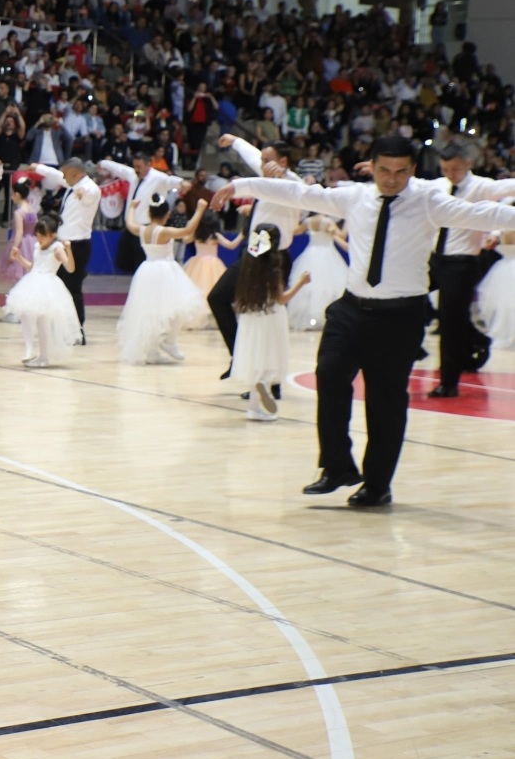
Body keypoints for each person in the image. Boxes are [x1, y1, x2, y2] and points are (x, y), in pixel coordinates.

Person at [211, 135, 515, 505]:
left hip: (400, 316)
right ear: (371, 167)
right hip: (352, 308)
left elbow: (490, 213)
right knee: (330, 372)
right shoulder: (355, 197)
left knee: (385, 402)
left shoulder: (428, 201)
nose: (391, 178)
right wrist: (240, 185)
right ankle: (337, 466)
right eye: (384, 170)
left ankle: (377, 485)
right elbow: (300, 194)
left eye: (401, 171)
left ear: (414, 170)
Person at [424, 140, 515, 397]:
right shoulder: (439, 186)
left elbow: (508, 187)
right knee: (407, 297)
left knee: (451, 323)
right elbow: (411, 186)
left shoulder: (481, 186)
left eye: (455, 169)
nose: (450, 174)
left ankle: (449, 383)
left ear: (467, 164)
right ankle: (474, 338)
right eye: (445, 169)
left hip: (462, 264)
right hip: (434, 259)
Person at [208, 135, 300, 377]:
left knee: (267, 316)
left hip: (274, 260)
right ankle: (241, 359)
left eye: (268, 160)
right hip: (252, 254)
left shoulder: (293, 184)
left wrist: (283, 175)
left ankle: (270, 380)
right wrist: (236, 140)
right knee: (218, 298)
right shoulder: (264, 178)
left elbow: (305, 195)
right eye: (262, 159)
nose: (262, 163)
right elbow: (252, 156)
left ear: (283, 161)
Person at [116, 193, 207, 364]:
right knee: (179, 307)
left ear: (149, 214)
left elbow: (129, 224)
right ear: (167, 215)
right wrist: (200, 210)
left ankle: (152, 352)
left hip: (146, 271)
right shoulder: (164, 231)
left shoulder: (142, 230)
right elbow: (187, 231)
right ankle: (169, 341)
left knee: (151, 312)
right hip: (165, 270)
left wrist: (132, 207)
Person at [232, 224, 310, 422]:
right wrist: (301, 282)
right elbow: (281, 299)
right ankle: (262, 390)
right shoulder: (274, 267)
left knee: (255, 357)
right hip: (272, 315)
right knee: (269, 358)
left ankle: (253, 408)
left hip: (251, 315)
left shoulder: (248, 264)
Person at [30, 159, 100, 338]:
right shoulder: (71, 183)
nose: (63, 177)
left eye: (66, 174)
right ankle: (60, 327)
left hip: (77, 246)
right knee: (58, 287)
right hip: (62, 244)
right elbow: (57, 176)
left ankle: (77, 331)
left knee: (73, 288)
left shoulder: (89, 188)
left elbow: (91, 193)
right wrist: (39, 168)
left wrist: (83, 192)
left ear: (75, 174)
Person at [3, 213, 80, 368]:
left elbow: (70, 268)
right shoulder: (38, 246)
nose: (39, 239)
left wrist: (69, 250)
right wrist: (19, 258)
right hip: (33, 282)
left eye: (42, 236)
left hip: (48, 285)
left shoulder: (57, 249)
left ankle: (44, 357)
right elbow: (33, 266)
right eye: (37, 235)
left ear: (53, 235)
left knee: (42, 321)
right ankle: (29, 350)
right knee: (25, 313)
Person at [100, 151, 184, 274]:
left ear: (148, 165)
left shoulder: (158, 178)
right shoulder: (133, 175)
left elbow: (170, 181)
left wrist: (182, 183)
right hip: (130, 228)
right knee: (123, 261)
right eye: (135, 166)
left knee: (142, 264)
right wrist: (103, 163)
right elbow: (120, 169)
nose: (136, 169)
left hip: (145, 228)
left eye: (139, 166)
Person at [286, 214, 348, 332]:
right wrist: (347, 223)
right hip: (327, 253)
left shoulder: (309, 221)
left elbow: (296, 231)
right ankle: (323, 319)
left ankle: (308, 318)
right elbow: (342, 236)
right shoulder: (328, 221)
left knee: (308, 288)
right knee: (327, 286)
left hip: (310, 253)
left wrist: (295, 217)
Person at [184, 209, 242, 300]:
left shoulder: (197, 235)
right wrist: (242, 235)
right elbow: (231, 245)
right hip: (213, 264)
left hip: (197, 263)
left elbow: (185, 239)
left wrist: (190, 224)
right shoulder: (215, 236)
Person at [473, 230, 515, 351]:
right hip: (507, 269)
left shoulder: (499, 229)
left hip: (505, 269)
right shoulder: (501, 230)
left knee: (507, 304)